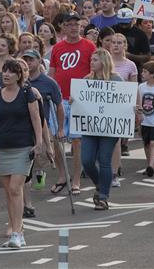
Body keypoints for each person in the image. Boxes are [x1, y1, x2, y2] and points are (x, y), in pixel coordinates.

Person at [0, 59, 43, 249]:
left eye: (11, 72)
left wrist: (39, 142)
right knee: (9, 192)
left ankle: (15, 232)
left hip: (23, 147)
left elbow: (36, 117)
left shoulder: (26, 93)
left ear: (19, 75)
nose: (6, 74)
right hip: (3, 147)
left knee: (16, 188)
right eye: (4, 71)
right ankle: (18, 230)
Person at [48, 12, 96, 195]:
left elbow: (95, 70)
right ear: (64, 27)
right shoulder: (57, 48)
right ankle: (62, 175)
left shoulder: (89, 46)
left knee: (77, 141)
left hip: (80, 99)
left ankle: (76, 178)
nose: (74, 27)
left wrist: (86, 80)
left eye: (77, 24)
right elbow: (52, 73)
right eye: (70, 24)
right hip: (60, 100)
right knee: (57, 139)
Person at [77, 49, 123, 210]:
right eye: (91, 59)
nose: (92, 62)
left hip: (109, 128)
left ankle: (103, 196)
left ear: (104, 62)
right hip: (90, 126)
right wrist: (75, 101)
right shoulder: (86, 79)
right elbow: (81, 102)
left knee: (104, 160)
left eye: (95, 60)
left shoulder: (116, 80)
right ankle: (99, 183)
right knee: (87, 160)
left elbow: (123, 101)